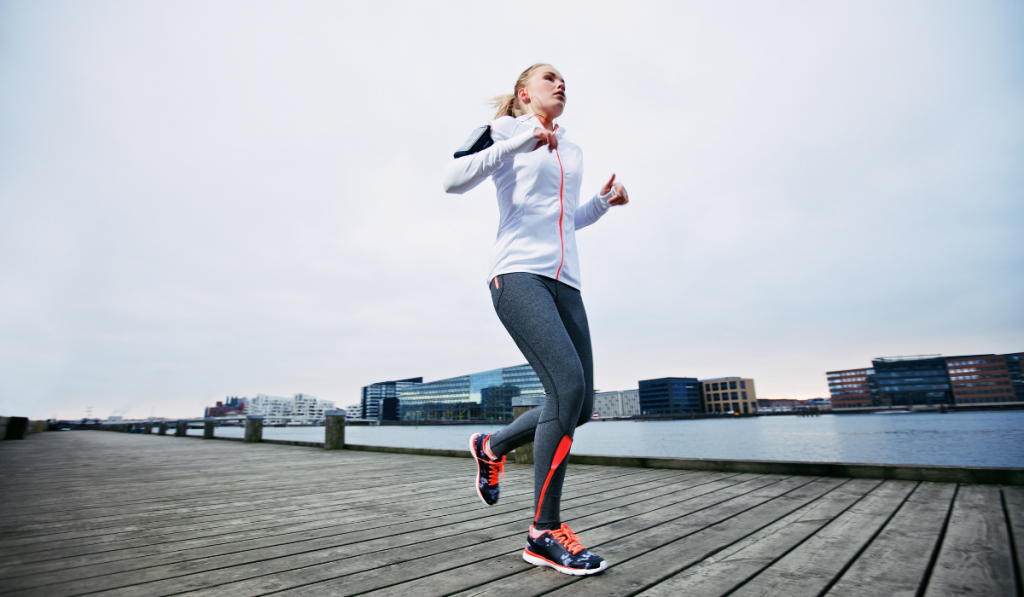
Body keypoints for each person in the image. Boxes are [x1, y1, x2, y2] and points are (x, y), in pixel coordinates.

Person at [442, 63, 629, 575]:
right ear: (525, 92)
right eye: (550, 77)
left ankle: (491, 445)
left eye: (564, 79)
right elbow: (451, 180)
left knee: (581, 405)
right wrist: (518, 143)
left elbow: (567, 220)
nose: (561, 83)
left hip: (567, 285)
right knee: (565, 387)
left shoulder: (574, 150)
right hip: (518, 276)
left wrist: (602, 204)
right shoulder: (505, 129)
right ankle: (543, 531)